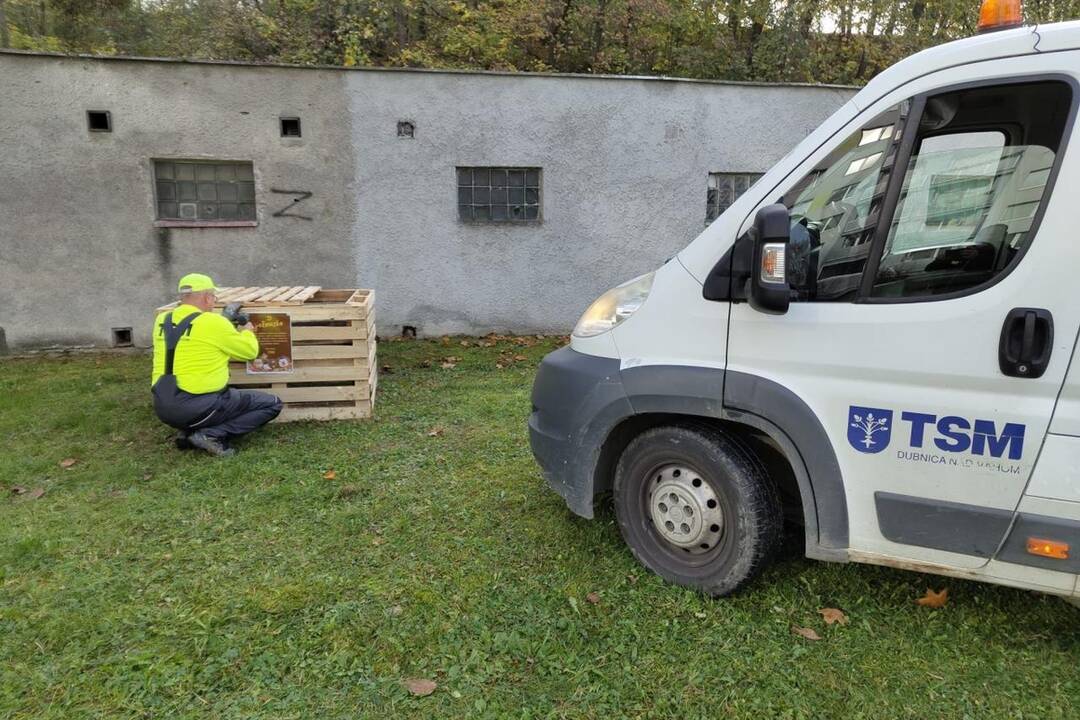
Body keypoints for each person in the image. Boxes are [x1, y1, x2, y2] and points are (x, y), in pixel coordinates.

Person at [151, 273, 282, 456]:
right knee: (272, 404)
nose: (214, 301)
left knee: (223, 392)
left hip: (164, 406)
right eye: (214, 297)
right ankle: (210, 435)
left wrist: (224, 322)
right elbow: (250, 352)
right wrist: (246, 331)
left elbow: (194, 335)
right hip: (201, 406)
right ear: (206, 297)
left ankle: (187, 432)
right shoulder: (214, 322)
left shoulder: (162, 320)